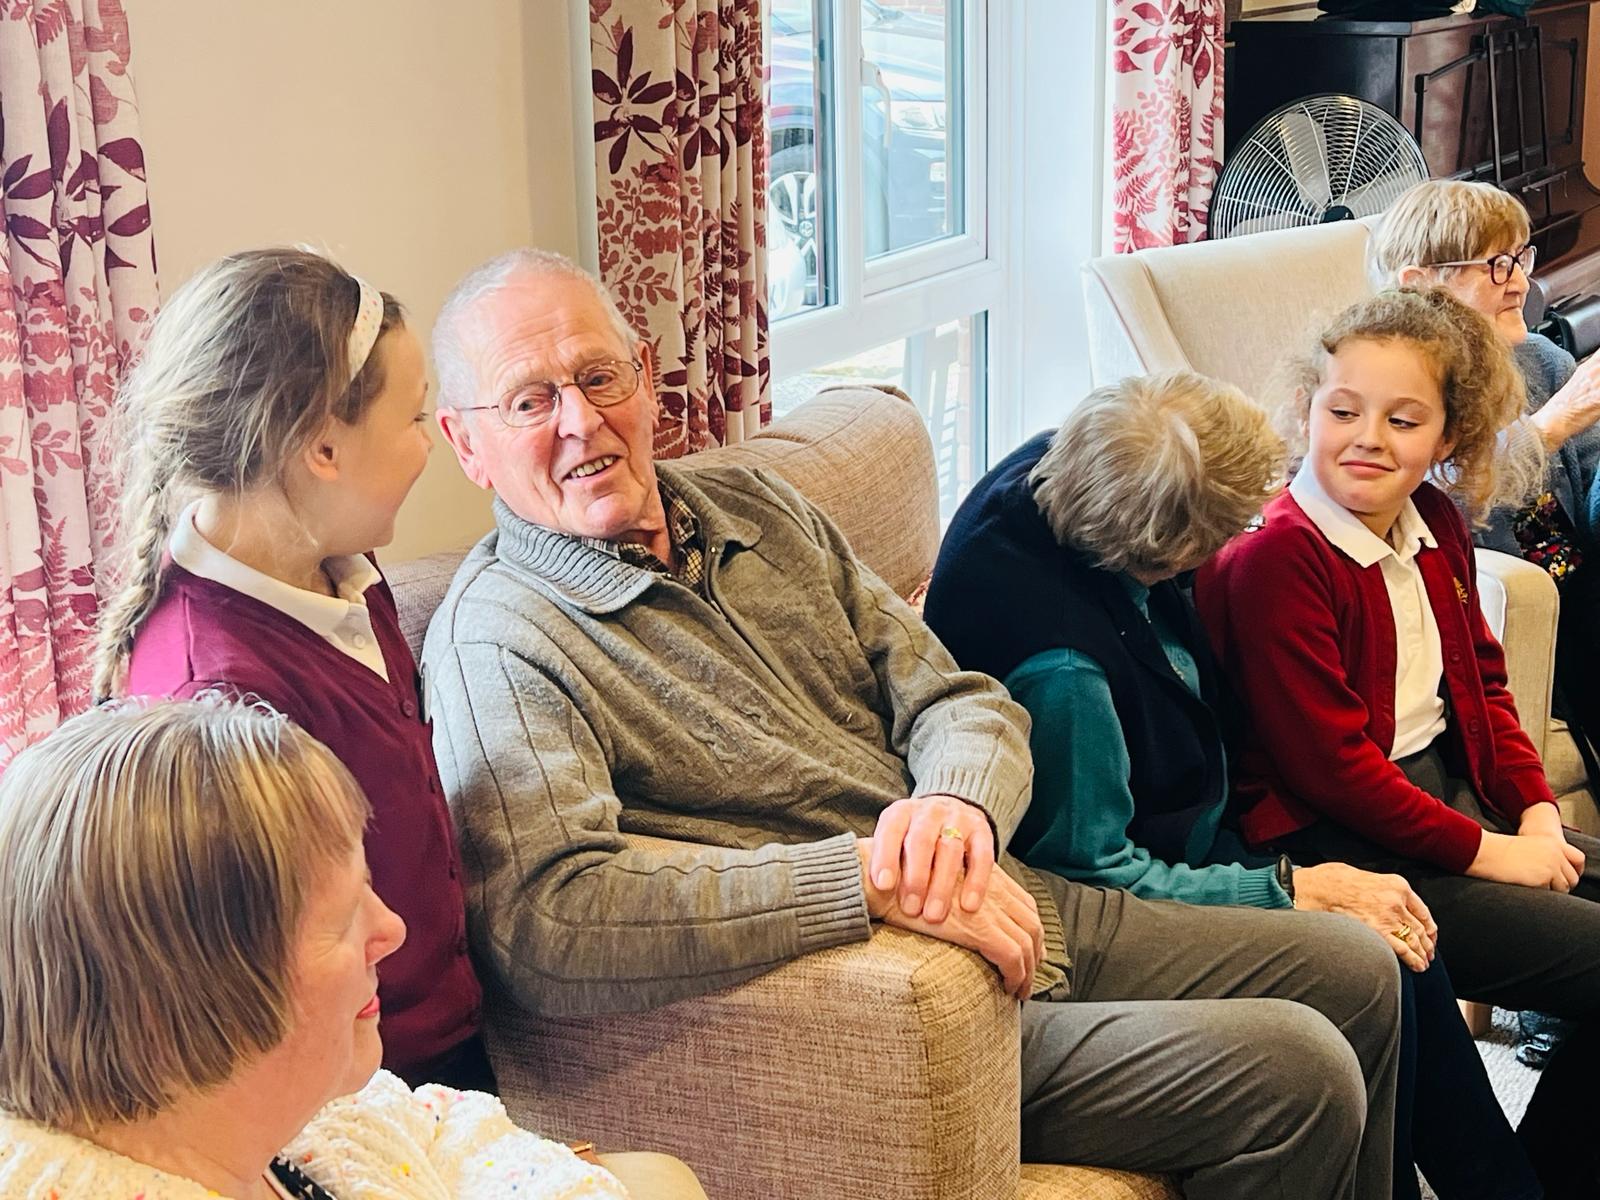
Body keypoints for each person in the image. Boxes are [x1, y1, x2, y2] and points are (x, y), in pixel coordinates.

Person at [421, 247, 1404, 1199]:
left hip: (1009, 893)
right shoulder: (501, 638)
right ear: (466, 442)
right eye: (528, 400)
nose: (581, 423)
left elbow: (959, 699)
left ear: (645, 375)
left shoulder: (754, 508)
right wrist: (866, 880)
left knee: (1358, 970)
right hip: (887, 1004)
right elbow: (547, 916)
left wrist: (954, 809)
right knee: (1294, 1075)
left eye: (600, 377)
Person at [922, 369, 1540, 1200]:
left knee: (1401, 943)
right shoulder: (1064, 676)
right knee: (1382, 961)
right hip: (1131, 882)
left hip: (1208, 803)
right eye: (1241, 521)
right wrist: (1282, 888)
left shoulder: (1075, 461)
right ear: (1175, 556)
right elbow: (1096, 876)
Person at [1194, 286, 1600, 1200]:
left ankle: (1550, 1170)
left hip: (1446, 802)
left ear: (1449, 439)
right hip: (1339, 840)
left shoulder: (1437, 528)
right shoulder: (1279, 559)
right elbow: (1330, 770)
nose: (1367, 437)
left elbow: (1484, 691)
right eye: (1342, 411)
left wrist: (1536, 812)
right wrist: (1496, 855)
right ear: (1307, 410)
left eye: (1403, 419)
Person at [0, 695, 708, 1200]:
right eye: (342, 918)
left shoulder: (295, 1120)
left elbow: (441, 1126)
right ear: (178, 997)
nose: (391, 929)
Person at [91, 250, 484, 1089]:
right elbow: (266, 1002)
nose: (428, 447)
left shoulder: (342, 569)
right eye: (415, 420)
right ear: (321, 448)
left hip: (445, 1029)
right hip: (372, 1086)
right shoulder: (216, 702)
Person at [1371, 180, 1600, 1065]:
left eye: (1523, 258)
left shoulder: (1538, 358)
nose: (1519, 281)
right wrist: (1553, 424)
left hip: (1577, 577)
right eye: (1495, 264)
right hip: (1527, 599)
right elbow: (1446, 501)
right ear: (1422, 280)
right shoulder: (1401, 381)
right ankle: (1551, 992)